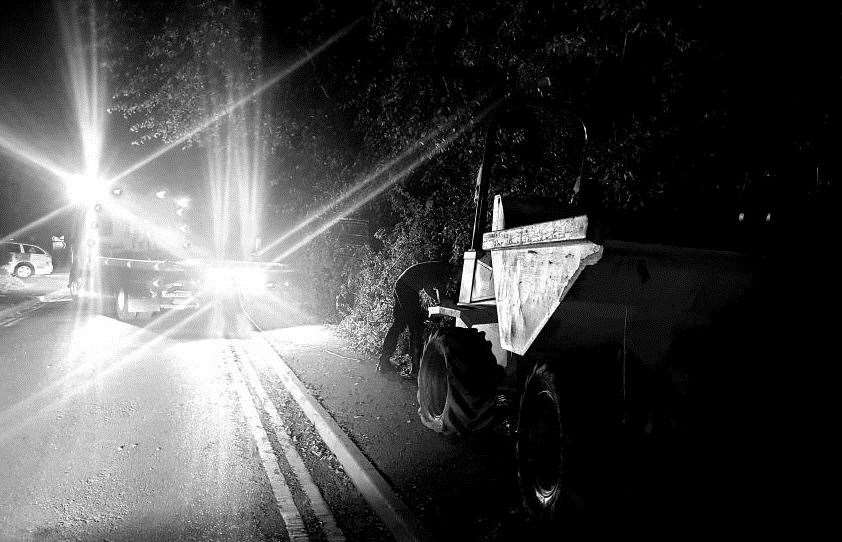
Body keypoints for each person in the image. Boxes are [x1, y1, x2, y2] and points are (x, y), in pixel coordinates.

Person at [377, 260, 452, 377]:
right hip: (407, 289)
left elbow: (428, 288)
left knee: (398, 325)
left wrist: (440, 300)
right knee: (416, 327)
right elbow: (437, 291)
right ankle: (415, 370)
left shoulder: (436, 266)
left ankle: (383, 362)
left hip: (401, 285)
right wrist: (444, 301)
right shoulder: (443, 271)